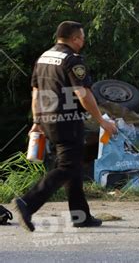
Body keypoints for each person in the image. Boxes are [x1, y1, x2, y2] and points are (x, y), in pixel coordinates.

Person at [15, 21, 117, 232]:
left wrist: (36, 122)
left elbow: (35, 91)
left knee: (74, 165)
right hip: (67, 120)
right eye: (82, 37)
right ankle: (28, 202)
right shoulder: (73, 59)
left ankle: (81, 216)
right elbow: (83, 94)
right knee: (67, 167)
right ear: (74, 39)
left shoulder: (43, 57)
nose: (84, 41)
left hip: (47, 119)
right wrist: (102, 122)